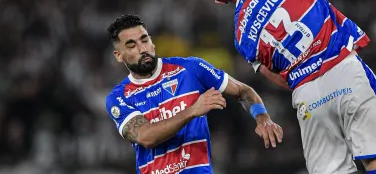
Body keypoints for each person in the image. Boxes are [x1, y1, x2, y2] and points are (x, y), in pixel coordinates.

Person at [195, 0, 376, 174]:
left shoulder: (241, 36)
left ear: (220, 0)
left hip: (308, 96)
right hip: (343, 69)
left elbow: (279, 79)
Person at [105, 14, 283, 174]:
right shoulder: (119, 97)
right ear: (118, 55)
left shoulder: (190, 69)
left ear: (152, 42)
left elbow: (243, 91)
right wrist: (192, 110)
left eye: (144, 40)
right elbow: (146, 137)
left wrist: (262, 116)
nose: (142, 49)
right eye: (131, 45)